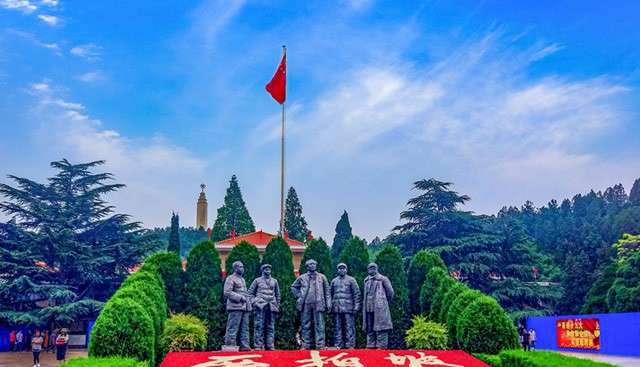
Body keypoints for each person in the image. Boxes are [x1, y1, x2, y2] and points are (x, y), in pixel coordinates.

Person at [291, 259, 331, 349]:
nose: (312, 265)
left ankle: (320, 344)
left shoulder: (322, 277)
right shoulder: (302, 277)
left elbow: (327, 291)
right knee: (306, 324)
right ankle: (306, 344)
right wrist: (299, 296)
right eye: (310, 264)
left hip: (319, 303)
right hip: (306, 304)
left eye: (314, 264)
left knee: (319, 324)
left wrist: (328, 303)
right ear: (307, 266)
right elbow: (293, 287)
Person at [248, 264, 281, 350]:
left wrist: (277, 305)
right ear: (262, 270)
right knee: (259, 325)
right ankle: (258, 345)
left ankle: (270, 345)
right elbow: (250, 294)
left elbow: (278, 295)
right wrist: (255, 302)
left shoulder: (274, 281)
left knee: (270, 326)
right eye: (266, 269)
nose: (268, 270)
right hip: (260, 306)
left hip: (271, 306)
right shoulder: (257, 281)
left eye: (269, 269)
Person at [362, 262, 394, 349]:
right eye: (370, 268)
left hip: (379, 306)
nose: (371, 269)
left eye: (373, 268)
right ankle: (370, 344)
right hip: (368, 307)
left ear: (377, 269)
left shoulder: (383, 279)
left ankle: (381, 345)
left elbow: (390, 292)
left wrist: (383, 301)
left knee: (381, 327)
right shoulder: (366, 280)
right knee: (370, 326)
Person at [330, 263, 361, 349]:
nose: (342, 270)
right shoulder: (334, 281)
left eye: (343, 268)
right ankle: (338, 344)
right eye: (340, 268)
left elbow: (357, 294)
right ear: (337, 270)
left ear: (346, 270)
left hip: (348, 307)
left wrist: (356, 306)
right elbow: (330, 294)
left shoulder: (352, 280)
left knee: (349, 327)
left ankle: (350, 344)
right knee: (337, 327)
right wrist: (330, 306)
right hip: (337, 307)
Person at [223, 261, 252, 351]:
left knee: (245, 327)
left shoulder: (242, 279)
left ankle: (245, 345)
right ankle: (230, 345)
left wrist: (248, 304)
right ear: (235, 268)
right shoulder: (230, 278)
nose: (242, 269)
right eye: (240, 267)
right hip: (235, 306)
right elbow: (227, 292)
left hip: (244, 307)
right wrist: (240, 297)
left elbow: (245, 292)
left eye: (243, 267)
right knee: (233, 327)